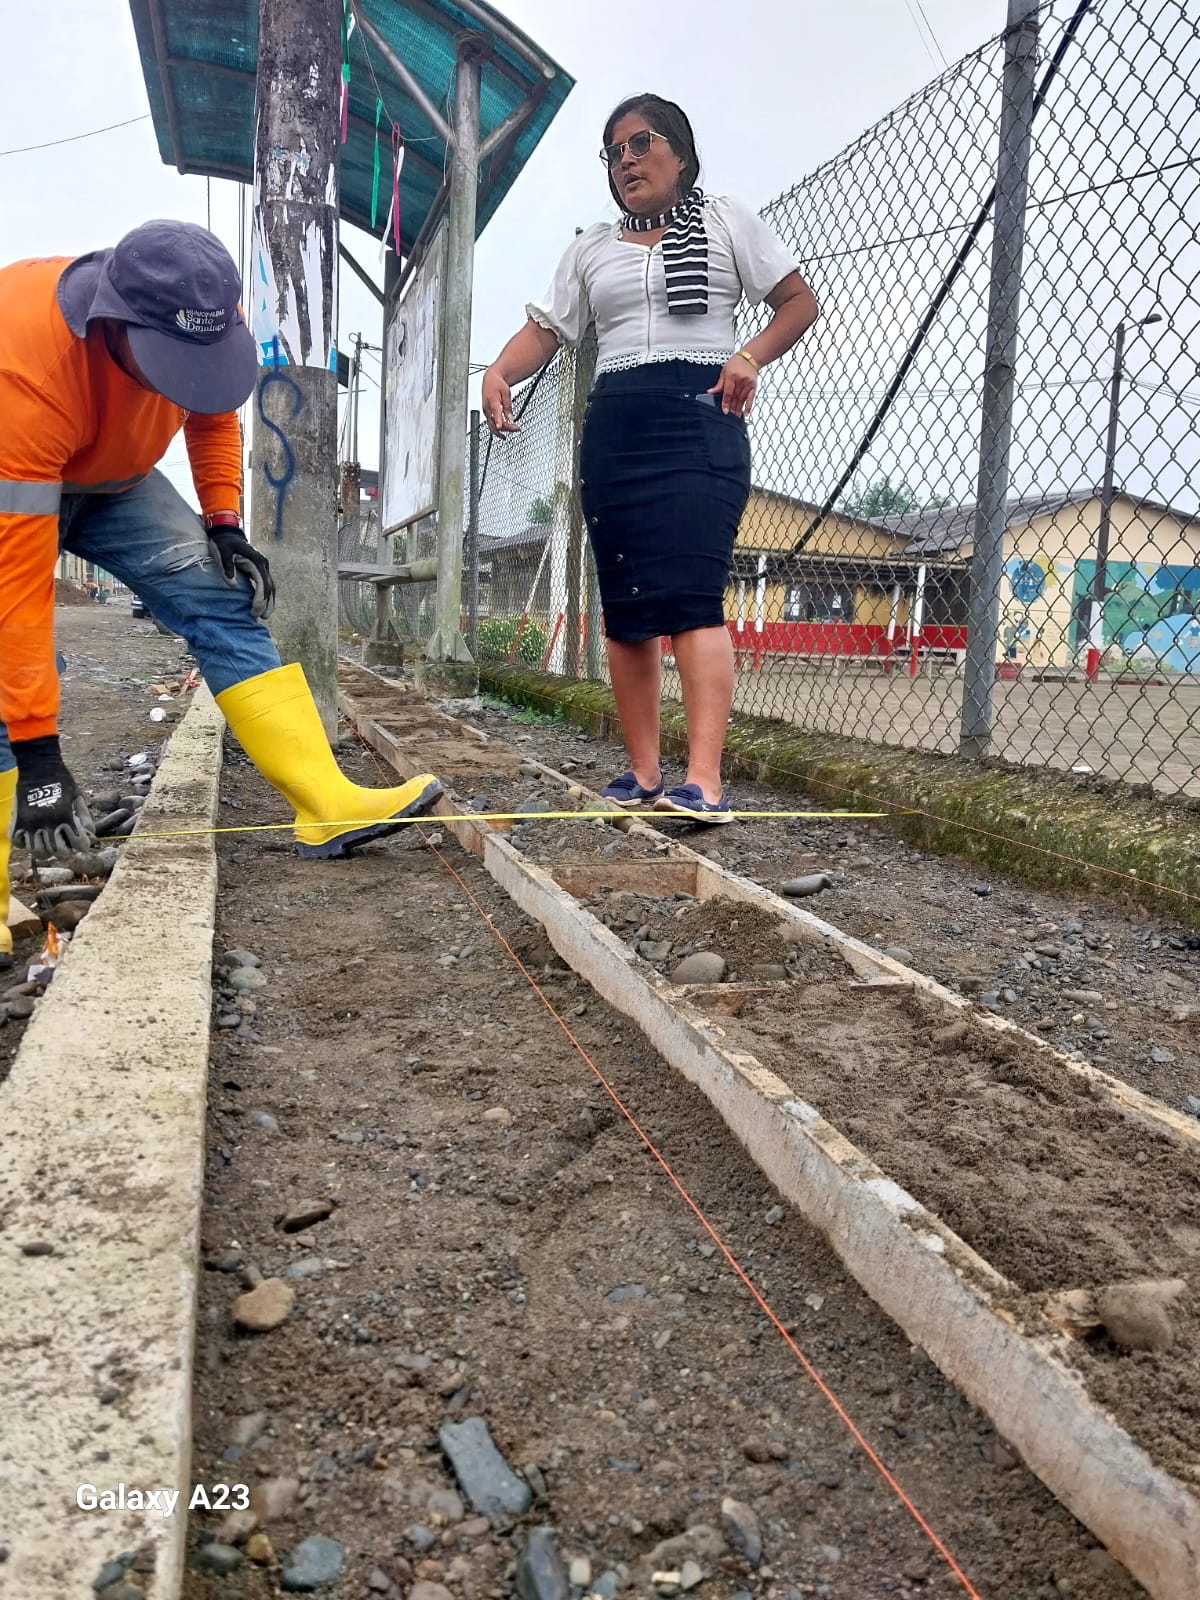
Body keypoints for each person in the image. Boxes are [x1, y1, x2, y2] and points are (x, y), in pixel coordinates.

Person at [0, 219, 444, 902]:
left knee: (223, 598)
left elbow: (211, 408)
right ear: (116, 325)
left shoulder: (201, 303)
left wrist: (225, 522)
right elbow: (18, 600)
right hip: (17, 469)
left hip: (118, 480)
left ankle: (326, 804)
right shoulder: (27, 369)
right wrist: (40, 759)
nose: (183, 378)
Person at [482, 94, 818, 822]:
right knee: (627, 606)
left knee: (693, 595)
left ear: (681, 155)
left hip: (700, 416)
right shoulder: (592, 249)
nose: (626, 161)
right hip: (616, 428)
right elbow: (546, 331)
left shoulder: (725, 220)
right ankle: (641, 773)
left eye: (641, 143)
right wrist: (499, 372)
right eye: (614, 152)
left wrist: (749, 357)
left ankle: (705, 781)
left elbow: (797, 302)